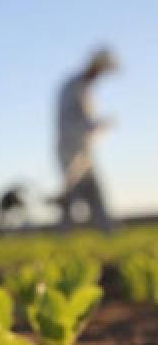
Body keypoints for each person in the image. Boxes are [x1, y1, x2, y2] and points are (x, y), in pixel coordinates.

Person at [54, 48, 117, 233]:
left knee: (93, 192)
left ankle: (106, 230)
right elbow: (72, 121)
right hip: (70, 150)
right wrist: (98, 125)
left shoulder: (85, 89)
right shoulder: (73, 87)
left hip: (83, 151)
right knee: (73, 194)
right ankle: (64, 234)